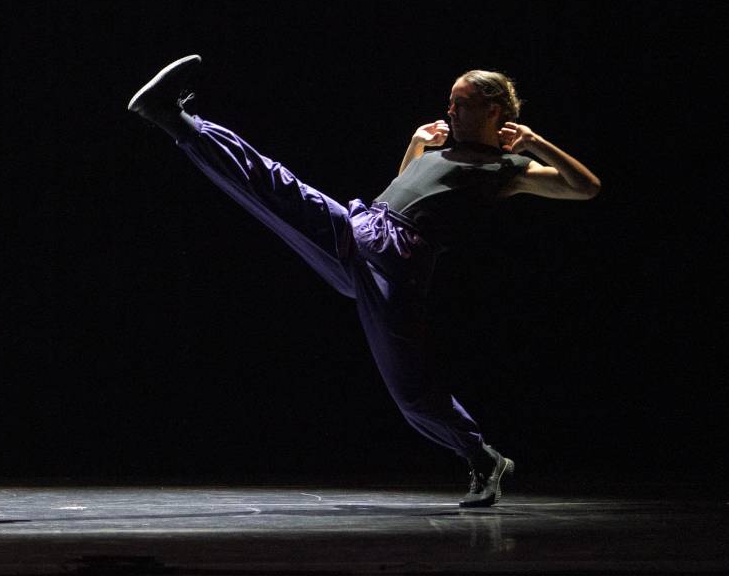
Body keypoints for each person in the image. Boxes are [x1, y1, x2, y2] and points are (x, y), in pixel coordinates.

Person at [127, 55, 600, 507]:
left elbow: (585, 187)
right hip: (365, 227)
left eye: (460, 103)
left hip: (396, 264)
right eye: (450, 101)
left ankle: (481, 456)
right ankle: (175, 119)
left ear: (493, 110)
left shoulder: (506, 169)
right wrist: (416, 145)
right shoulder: (440, 147)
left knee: (411, 391)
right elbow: (397, 191)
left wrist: (535, 141)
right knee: (275, 185)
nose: (449, 109)